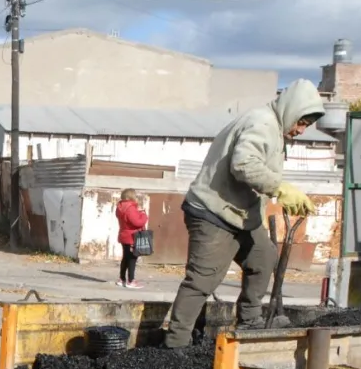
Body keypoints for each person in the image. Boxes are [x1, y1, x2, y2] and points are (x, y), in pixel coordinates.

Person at [164, 79, 325, 349]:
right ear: (291, 110)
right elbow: (244, 164)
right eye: (300, 122)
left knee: (263, 256)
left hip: (240, 215)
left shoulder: (274, 129)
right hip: (213, 212)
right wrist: (280, 188)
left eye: (306, 126)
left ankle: (250, 321)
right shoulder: (262, 123)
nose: (300, 130)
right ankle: (174, 345)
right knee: (202, 280)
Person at [115, 189, 148, 289]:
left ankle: (122, 279)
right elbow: (137, 222)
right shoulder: (130, 207)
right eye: (135, 195)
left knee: (125, 257)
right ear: (131, 197)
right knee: (132, 258)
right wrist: (143, 215)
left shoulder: (120, 207)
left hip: (124, 235)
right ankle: (131, 281)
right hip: (132, 237)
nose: (136, 197)